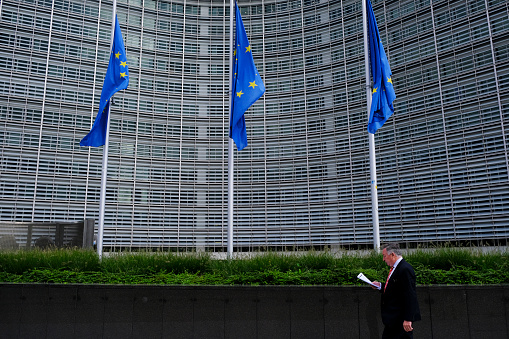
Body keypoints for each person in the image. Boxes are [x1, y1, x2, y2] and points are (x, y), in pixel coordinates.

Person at [372, 243, 421, 339]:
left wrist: (408, 319)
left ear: (393, 255)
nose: (383, 259)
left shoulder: (404, 269)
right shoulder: (397, 268)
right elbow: (395, 289)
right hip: (393, 319)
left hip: (400, 319)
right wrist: (380, 286)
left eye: (384, 256)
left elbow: (410, 295)